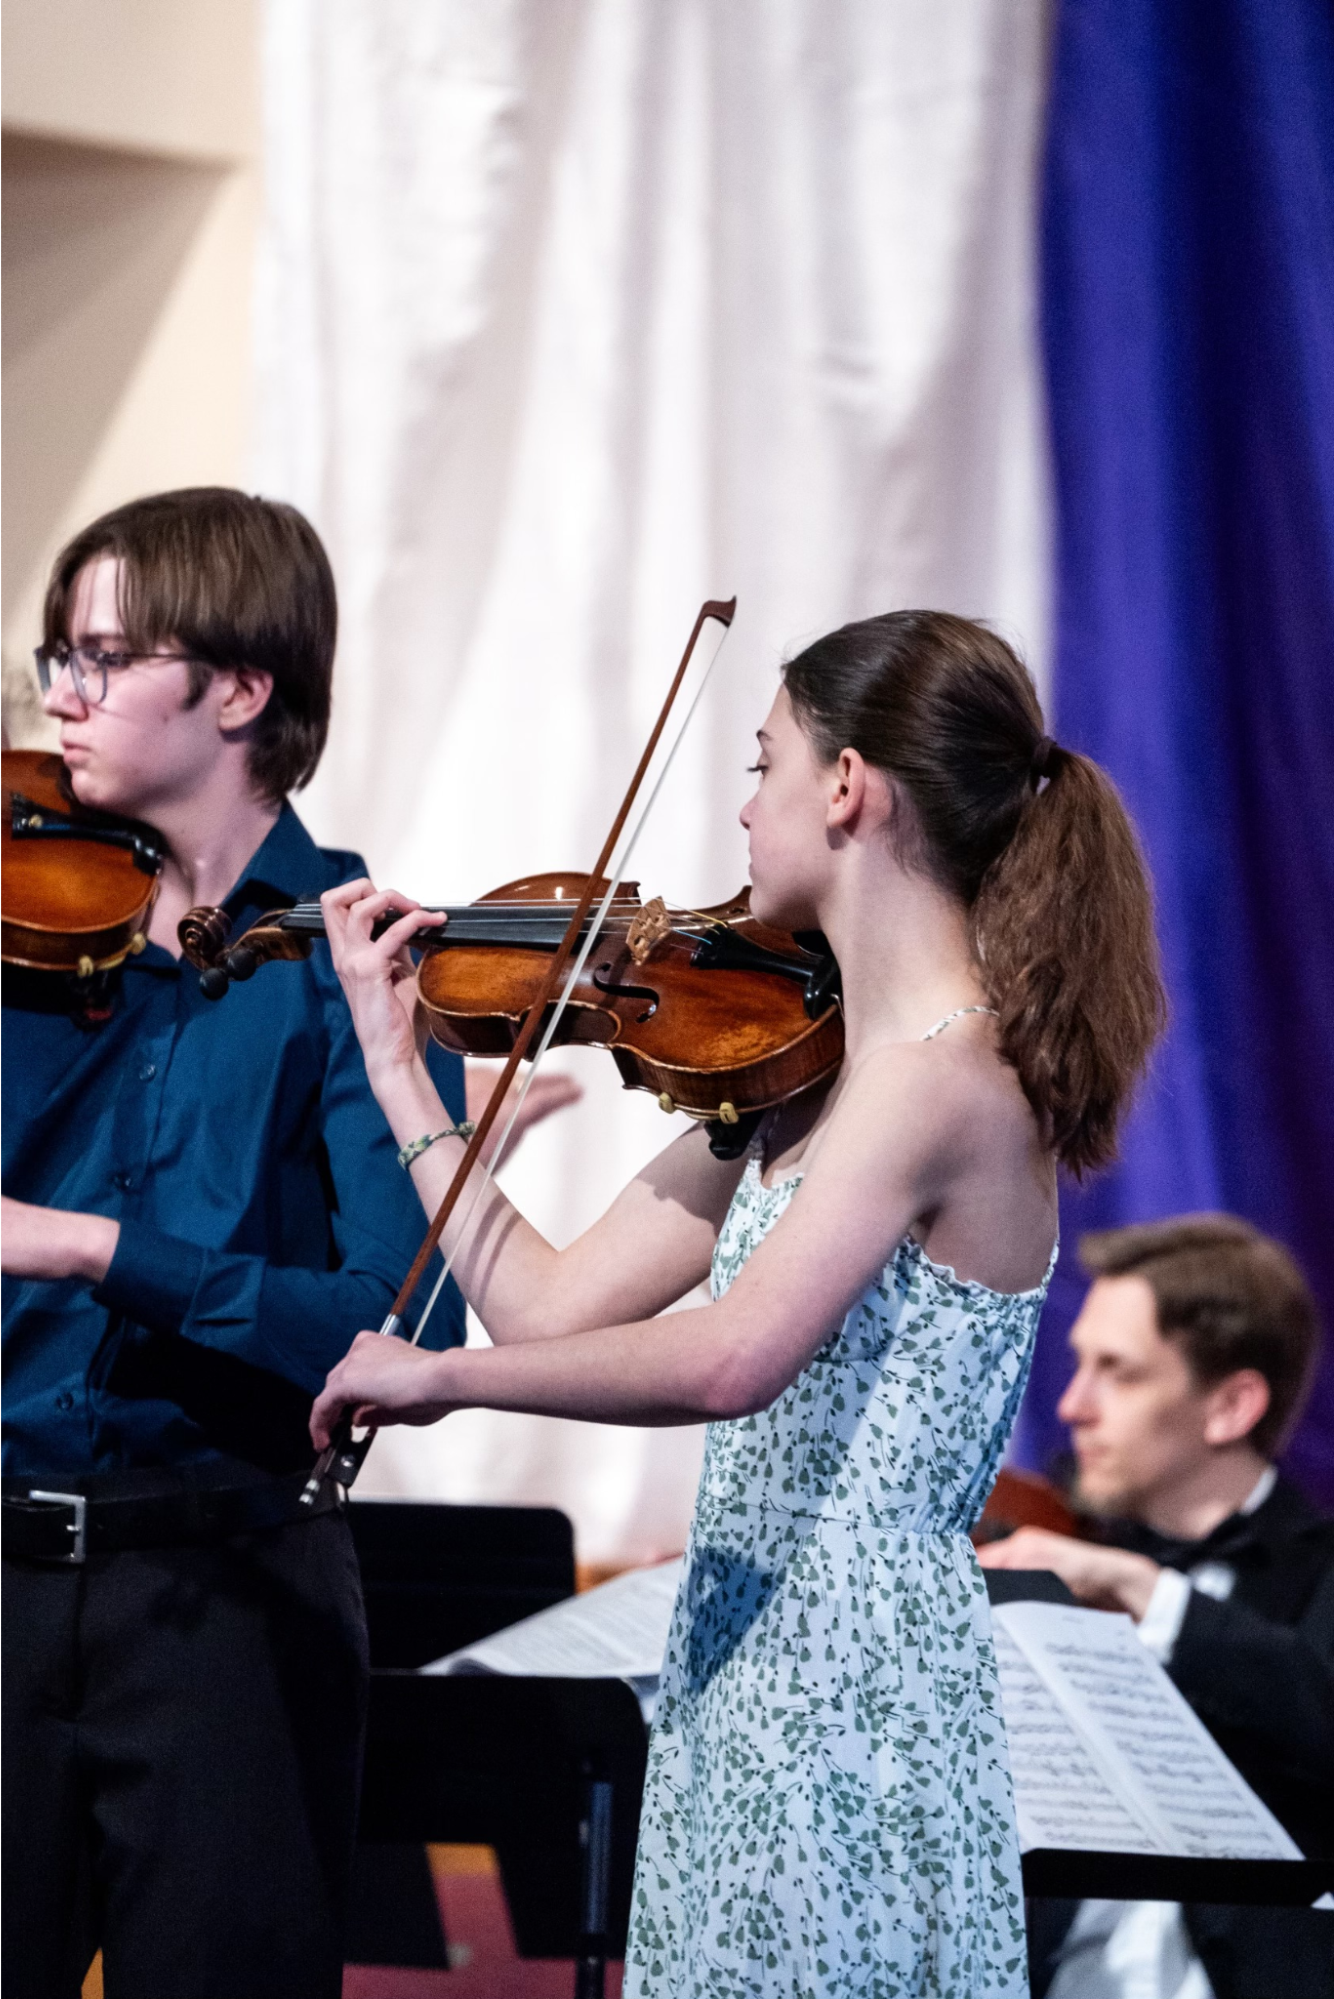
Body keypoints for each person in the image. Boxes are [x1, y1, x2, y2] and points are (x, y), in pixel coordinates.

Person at [308, 608, 1165, 1996]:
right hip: (745, 1663)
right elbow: (549, 1305)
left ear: (847, 787)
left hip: (856, 1687)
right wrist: (399, 1070)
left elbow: (731, 1357)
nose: (743, 803)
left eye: (763, 762)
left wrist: (435, 1378)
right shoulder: (804, 1073)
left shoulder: (945, 1077)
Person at [0, 487, 574, 1999]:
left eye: (104, 656)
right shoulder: (25, 912)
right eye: (58, 654)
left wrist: (90, 1246)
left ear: (241, 688)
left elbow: (382, 1332)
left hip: (227, 1598)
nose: (61, 692)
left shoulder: (369, 969)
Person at [981, 1215, 1333, 1999]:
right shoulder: (1055, 1568)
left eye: (1120, 1371)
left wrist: (1151, 1595)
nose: (1071, 1406)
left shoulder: (1320, 1569)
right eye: (1079, 1365)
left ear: (1230, 1406)